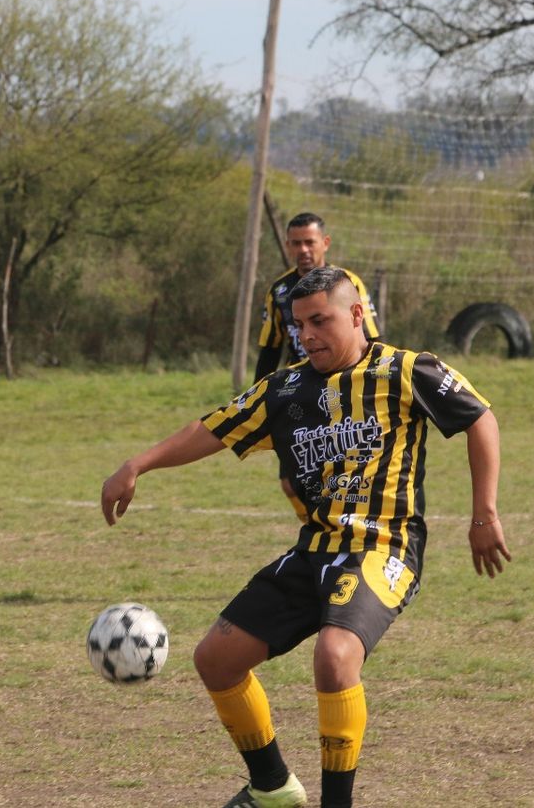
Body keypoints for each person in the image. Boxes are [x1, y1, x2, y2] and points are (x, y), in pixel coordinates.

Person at [102, 267, 511, 808]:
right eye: (299, 325)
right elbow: (215, 428)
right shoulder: (287, 387)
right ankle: (273, 788)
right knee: (216, 659)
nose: (307, 335)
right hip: (313, 550)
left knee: (335, 657)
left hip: (383, 548)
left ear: (357, 314)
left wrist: (483, 512)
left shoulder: (408, 370)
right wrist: (138, 464)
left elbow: (480, 419)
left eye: (320, 320)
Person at [255, 212, 380, 384]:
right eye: (296, 244)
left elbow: (372, 338)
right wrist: (258, 395)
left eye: (309, 242)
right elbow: (270, 350)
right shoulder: (278, 291)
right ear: (288, 246)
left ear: (325, 243)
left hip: (347, 378)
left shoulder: (349, 282)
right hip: (300, 382)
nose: (303, 250)